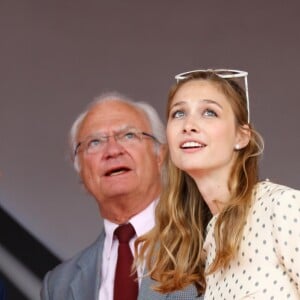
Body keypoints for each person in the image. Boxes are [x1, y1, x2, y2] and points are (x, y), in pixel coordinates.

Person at [137, 70, 300, 299]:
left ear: (241, 136)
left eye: (209, 112)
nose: (188, 125)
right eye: (178, 113)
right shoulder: (208, 242)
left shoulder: (282, 207)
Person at [41, 92, 199, 300]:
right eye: (95, 142)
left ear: (160, 155)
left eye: (129, 135)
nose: (113, 150)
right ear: (80, 171)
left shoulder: (207, 247)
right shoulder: (58, 285)